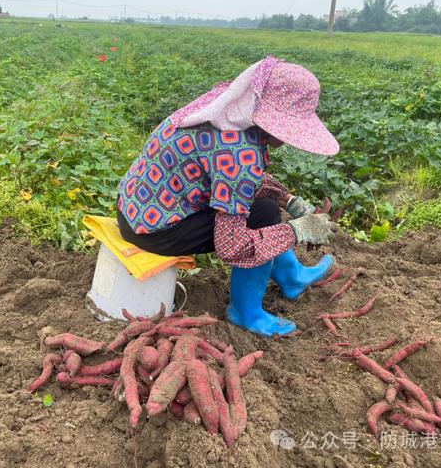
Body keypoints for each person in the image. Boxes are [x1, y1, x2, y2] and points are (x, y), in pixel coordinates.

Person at [116, 56, 339, 337]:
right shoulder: (239, 154)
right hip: (155, 230)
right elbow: (231, 246)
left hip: (136, 207)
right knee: (264, 217)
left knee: (267, 208)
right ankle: (246, 312)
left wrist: (289, 201)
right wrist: (298, 230)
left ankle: (291, 276)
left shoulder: (224, 110)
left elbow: (231, 177)